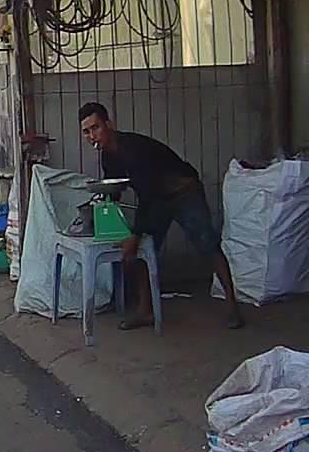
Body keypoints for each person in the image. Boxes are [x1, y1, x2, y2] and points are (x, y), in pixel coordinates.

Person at [78, 102, 244, 330]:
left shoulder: (132, 148)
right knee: (142, 253)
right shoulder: (108, 156)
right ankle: (145, 312)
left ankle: (233, 307)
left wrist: (134, 234)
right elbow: (114, 188)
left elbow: (147, 194)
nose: (92, 136)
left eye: (96, 128)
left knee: (208, 245)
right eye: (86, 132)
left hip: (184, 192)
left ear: (109, 124)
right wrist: (104, 211)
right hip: (158, 199)